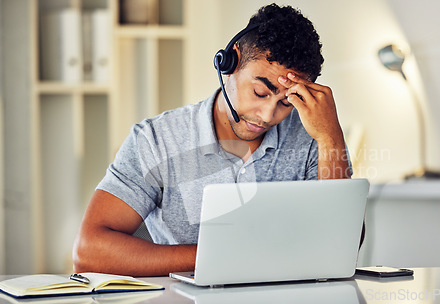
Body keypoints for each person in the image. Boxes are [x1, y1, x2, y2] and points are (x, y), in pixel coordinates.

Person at [72, 3, 352, 276]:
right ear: (231, 61)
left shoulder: (315, 136)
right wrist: (223, 255)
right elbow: (89, 252)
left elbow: (344, 243)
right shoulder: (156, 140)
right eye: (259, 92)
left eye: (287, 102)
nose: (267, 115)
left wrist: (331, 138)